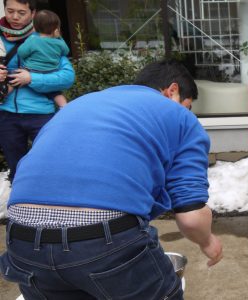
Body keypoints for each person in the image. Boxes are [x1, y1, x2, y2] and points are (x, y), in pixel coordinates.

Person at [0, 59, 224, 299]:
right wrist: (208, 242)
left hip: (21, 239)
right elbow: (191, 217)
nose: (186, 112)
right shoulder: (179, 116)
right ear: (173, 91)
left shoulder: (80, 104)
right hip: (102, 240)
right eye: (187, 106)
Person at [0, 0, 75, 183]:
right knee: (16, 168)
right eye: (10, 11)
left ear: (33, 14)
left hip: (41, 113)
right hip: (6, 113)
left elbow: (67, 77)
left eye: (21, 12)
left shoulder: (47, 37)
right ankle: (19, 208)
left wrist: (32, 79)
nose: (15, 17)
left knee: (50, 163)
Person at [13, 9, 69, 109]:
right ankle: (64, 106)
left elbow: (21, 52)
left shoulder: (33, 40)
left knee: (14, 78)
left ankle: (2, 97)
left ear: (34, 27)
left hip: (31, 72)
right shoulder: (58, 42)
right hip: (51, 73)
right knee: (55, 92)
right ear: (56, 29)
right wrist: (59, 38)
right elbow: (66, 51)